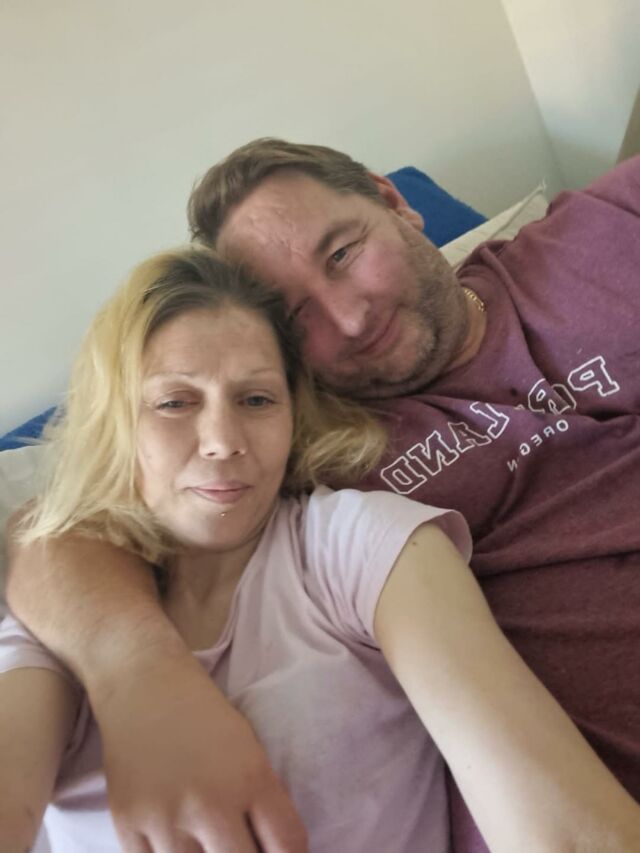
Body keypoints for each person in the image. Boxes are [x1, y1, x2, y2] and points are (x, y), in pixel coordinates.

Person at [5, 141, 640, 852]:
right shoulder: (327, 458)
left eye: (341, 253)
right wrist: (142, 678)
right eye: (296, 313)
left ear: (393, 201)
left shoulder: (602, 232)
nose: (349, 318)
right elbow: (53, 529)